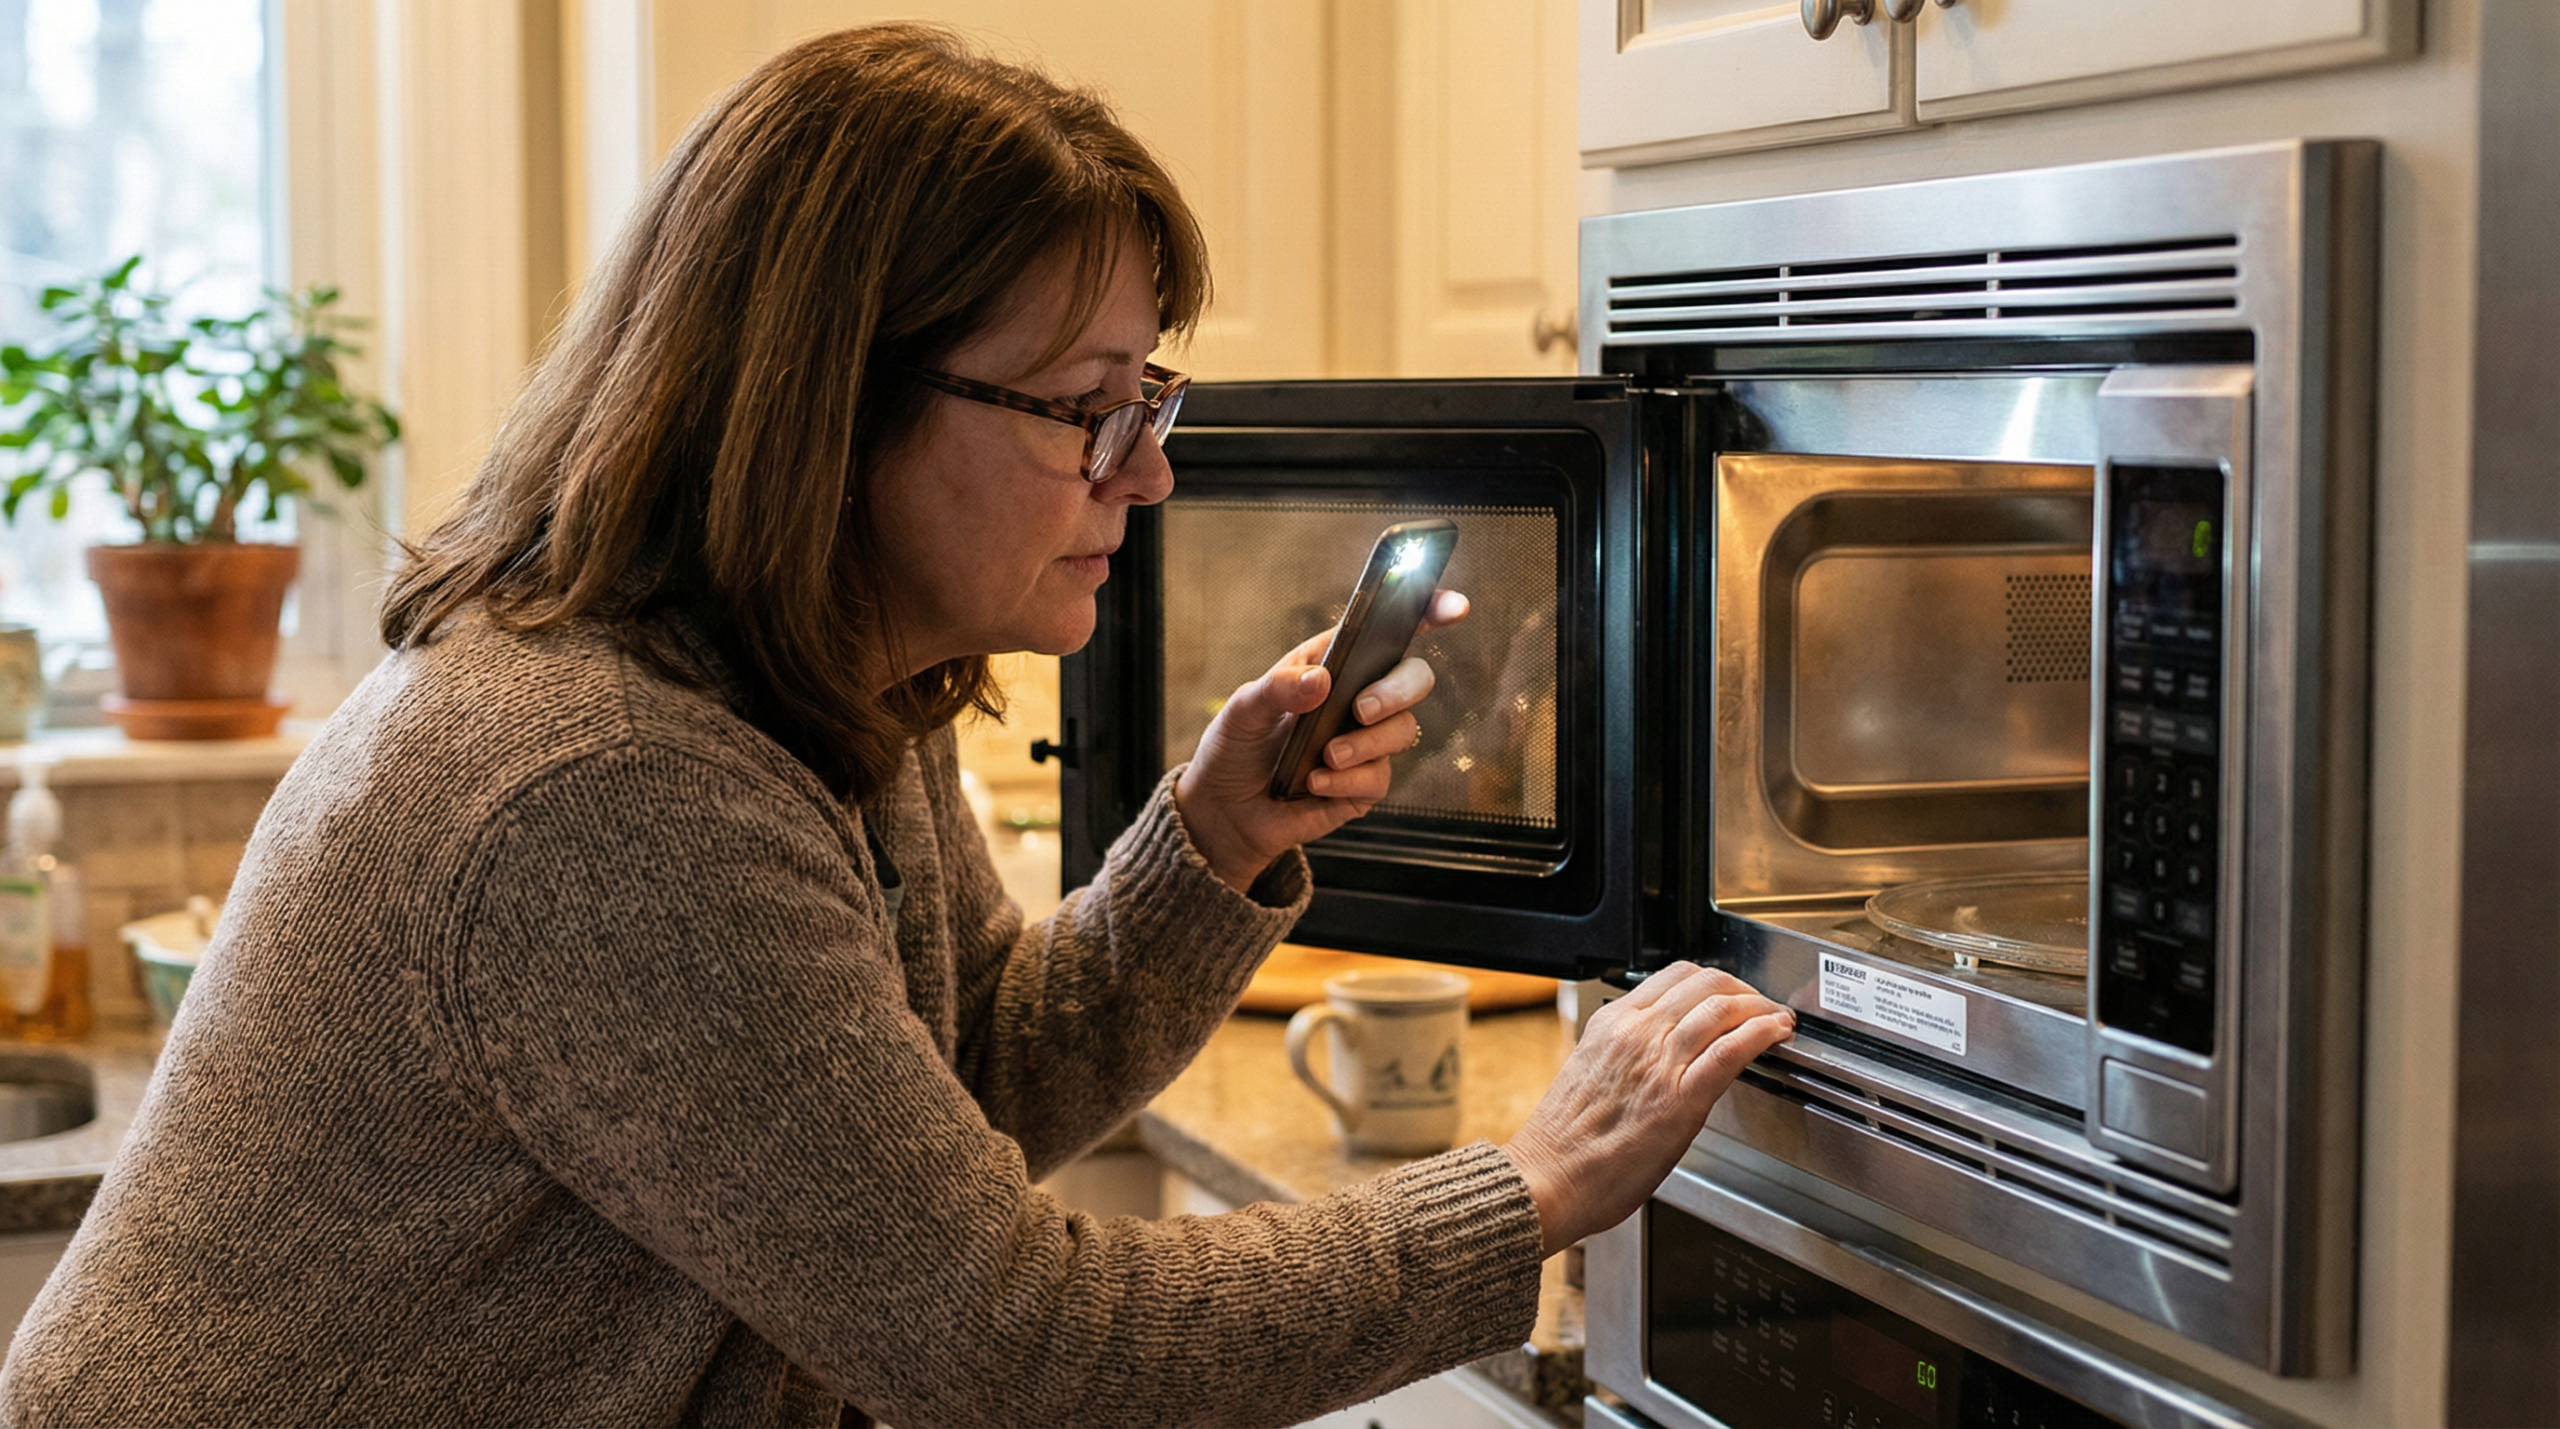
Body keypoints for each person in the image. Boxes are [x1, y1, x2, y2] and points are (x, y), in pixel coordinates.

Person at [0, 24, 1793, 1429]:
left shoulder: (813, 682)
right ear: (828, 401)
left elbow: (954, 1096)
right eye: (1089, 410)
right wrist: (1528, 1186)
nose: (1148, 474)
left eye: (1149, 399)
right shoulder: (601, 789)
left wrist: (1214, 845)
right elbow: (1010, 1351)